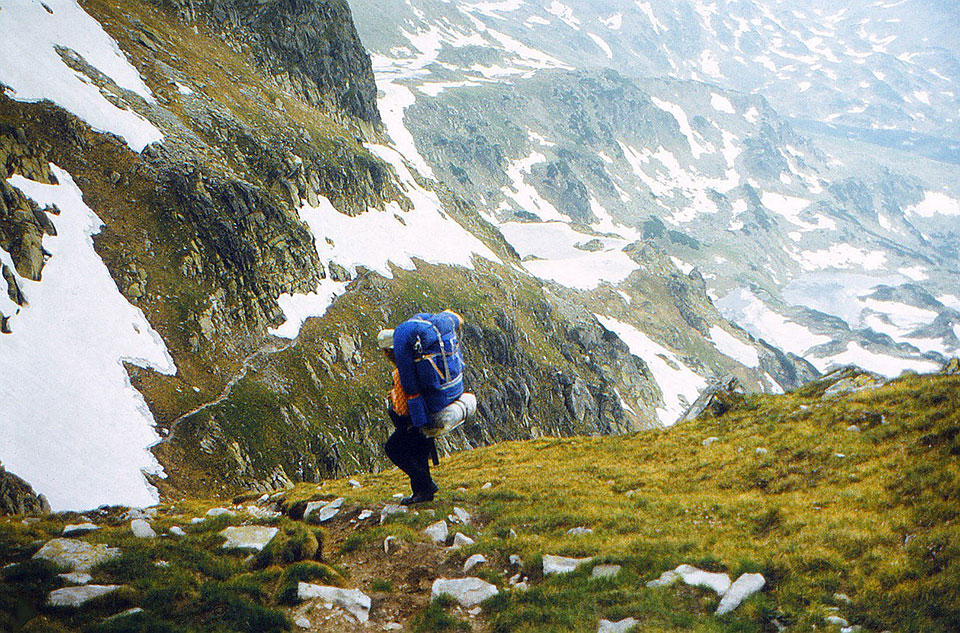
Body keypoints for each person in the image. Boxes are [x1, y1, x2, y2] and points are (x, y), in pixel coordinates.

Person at [379, 327, 439, 505]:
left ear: (388, 351)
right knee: (419, 453)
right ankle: (421, 494)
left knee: (393, 448)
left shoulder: (399, 372)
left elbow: (402, 409)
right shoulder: (417, 362)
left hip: (411, 422)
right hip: (425, 417)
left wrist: (395, 400)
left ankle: (426, 485)